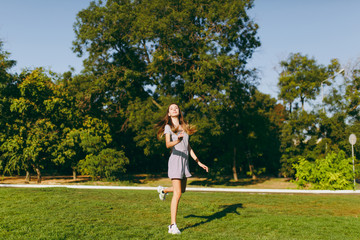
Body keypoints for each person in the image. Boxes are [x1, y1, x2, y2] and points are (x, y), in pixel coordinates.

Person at [156, 103, 209, 235]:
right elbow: (168, 144)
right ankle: (172, 225)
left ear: (179, 111)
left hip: (185, 162)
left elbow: (188, 146)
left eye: (176, 108)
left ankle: (163, 190)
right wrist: (177, 141)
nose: (174, 110)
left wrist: (198, 161)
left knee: (182, 190)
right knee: (178, 194)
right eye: (171, 109)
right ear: (169, 114)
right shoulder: (169, 127)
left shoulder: (184, 127)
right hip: (175, 161)